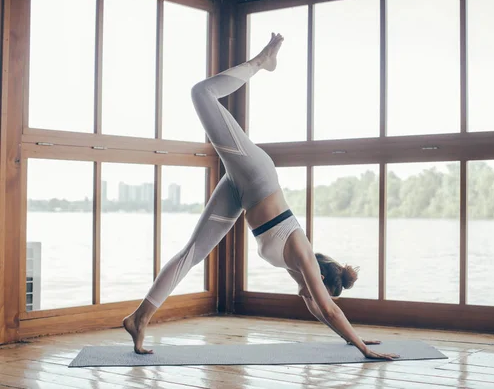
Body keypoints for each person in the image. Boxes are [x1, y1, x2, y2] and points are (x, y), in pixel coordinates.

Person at [123, 33, 399, 361]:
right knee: (202, 93)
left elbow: (323, 311)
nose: (315, 297)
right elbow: (328, 307)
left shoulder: (302, 277)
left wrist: (351, 338)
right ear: (321, 278)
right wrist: (363, 349)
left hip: (242, 192)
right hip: (257, 175)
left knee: (192, 253)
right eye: (321, 290)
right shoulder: (303, 256)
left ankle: (139, 318)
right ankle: (261, 61)